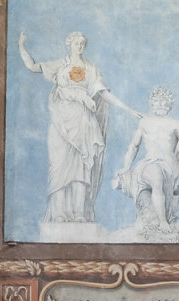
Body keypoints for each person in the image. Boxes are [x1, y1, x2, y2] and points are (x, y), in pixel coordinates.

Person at [18, 31, 136, 224]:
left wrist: (128, 109)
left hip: (83, 122)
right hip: (61, 121)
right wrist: (21, 47)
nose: (79, 46)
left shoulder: (91, 69)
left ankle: (79, 213)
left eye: (82, 43)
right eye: (76, 43)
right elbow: (32, 67)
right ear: (69, 44)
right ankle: (58, 214)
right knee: (59, 165)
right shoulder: (61, 65)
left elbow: (104, 93)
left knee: (82, 168)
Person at [113, 86, 179, 237]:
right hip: (149, 163)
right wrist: (126, 168)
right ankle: (162, 221)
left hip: (171, 166)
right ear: (151, 103)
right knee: (156, 177)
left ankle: (162, 217)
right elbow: (133, 147)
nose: (160, 105)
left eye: (164, 103)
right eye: (157, 102)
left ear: (169, 105)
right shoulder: (144, 122)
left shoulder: (175, 124)